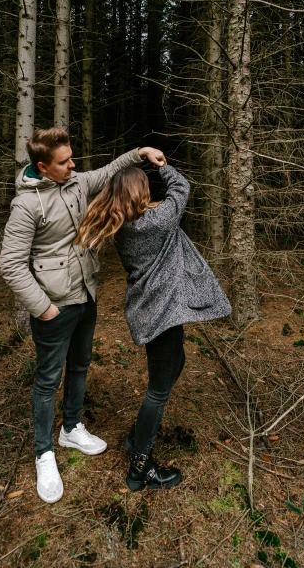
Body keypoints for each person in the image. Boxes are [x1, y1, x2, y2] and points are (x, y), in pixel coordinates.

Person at [0, 127, 166, 504]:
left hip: (86, 294)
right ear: (43, 167)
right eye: (64, 162)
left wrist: (141, 151)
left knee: (80, 365)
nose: (73, 165)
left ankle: (71, 427)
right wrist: (43, 308)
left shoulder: (74, 182)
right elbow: (10, 265)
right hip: (53, 307)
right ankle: (44, 452)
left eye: (72, 158)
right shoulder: (26, 206)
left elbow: (108, 171)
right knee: (47, 380)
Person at [76, 163, 231, 491]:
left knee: (178, 364)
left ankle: (136, 439)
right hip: (164, 313)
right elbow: (182, 187)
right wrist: (162, 166)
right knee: (158, 391)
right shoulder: (158, 220)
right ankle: (140, 468)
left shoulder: (123, 224)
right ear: (140, 192)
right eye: (145, 185)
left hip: (152, 311)